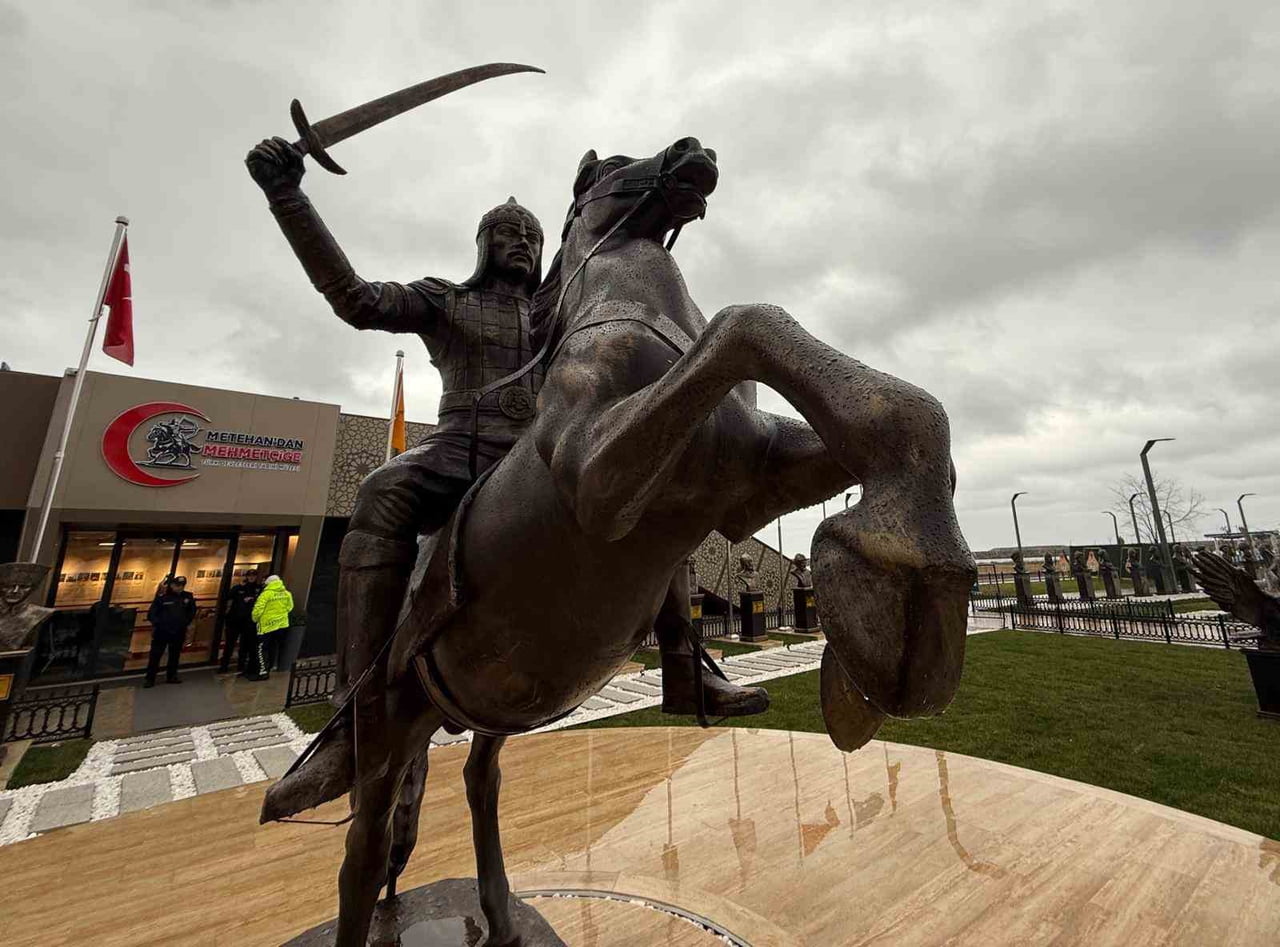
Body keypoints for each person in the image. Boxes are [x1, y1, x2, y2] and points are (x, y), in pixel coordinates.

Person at [244, 136, 767, 749]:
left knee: (650, 487)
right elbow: (356, 299)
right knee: (380, 490)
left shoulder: (562, 308)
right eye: (507, 233)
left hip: (538, 456)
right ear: (483, 244)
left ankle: (685, 672)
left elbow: (613, 238)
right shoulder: (448, 300)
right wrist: (287, 198)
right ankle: (357, 691)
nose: (522, 242)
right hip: (459, 451)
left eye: (532, 236)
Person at [144, 576, 195, 687]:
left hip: (178, 631)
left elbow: (191, 612)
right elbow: (152, 613)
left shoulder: (188, 596)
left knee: (175, 655)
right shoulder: (163, 597)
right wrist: (159, 624)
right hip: (162, 632)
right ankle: (150, 678)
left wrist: (184, 623)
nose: (180, 587)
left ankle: (171, 676)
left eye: (182, 585)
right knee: (155, 656)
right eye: (178, 585)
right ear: (172, 585)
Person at [249, 574, 293, 681]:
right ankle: (269, 668)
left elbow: (258, 609)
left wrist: (255, 619)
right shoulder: (287, 594)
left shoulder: (266, 594)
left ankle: (262, 672)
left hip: (266, 627)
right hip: (281, 626)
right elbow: (290, 607)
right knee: (273, 648)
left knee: (261, 649)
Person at [219, 568, 262, 674]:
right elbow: (228, 597)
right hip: (234, 620)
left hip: (248, 621)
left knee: (245, 645)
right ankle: (224, 666)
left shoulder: (258, 589)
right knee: (229, 644)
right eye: (250, 575)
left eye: (254, 575)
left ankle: (241, 666)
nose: (251, 577)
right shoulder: (238, 588)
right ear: (246, 576)